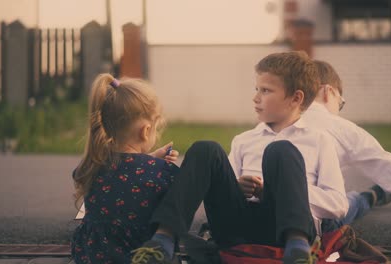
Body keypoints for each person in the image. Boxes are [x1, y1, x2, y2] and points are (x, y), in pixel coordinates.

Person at [131, 51, 348, 264]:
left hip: (284, 228)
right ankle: (163, 240)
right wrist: (238, 187)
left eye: (266, 90)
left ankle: (298, 251)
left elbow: (338, 205)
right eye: (257, 89)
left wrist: (281, 190)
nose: (256, 98)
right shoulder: (244, 140)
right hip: (236, 229)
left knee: (281, 150)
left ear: (295, 98)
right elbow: (224, 189)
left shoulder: (319, 141)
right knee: (206, 148)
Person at [301, 60, 391, 239]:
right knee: (350, 202)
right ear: (328, 92)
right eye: (341, 103)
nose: (339, 111)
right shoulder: (341, 128)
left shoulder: (272, 125)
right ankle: (370, 197)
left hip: (268, 217)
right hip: (313, 224)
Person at [70, 74, 180, 264]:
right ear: (145, 131)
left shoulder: (92, 165)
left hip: (90, 256)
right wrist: (157, 163)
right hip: (136, 255)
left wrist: (150, 159)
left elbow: (125, 171)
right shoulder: (162, 171)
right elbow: (177, 205)